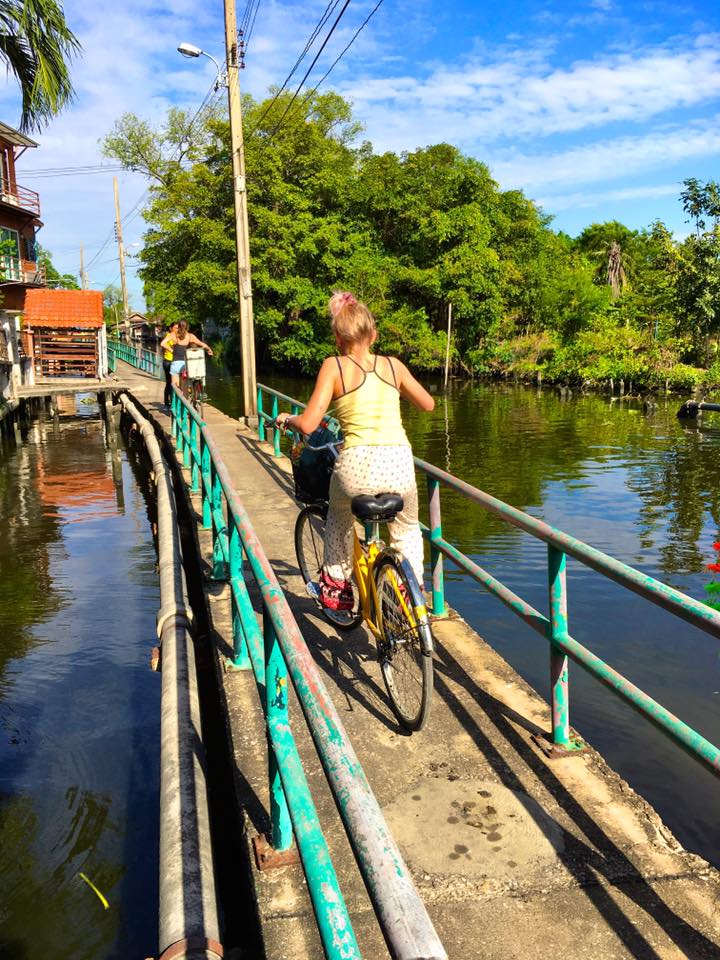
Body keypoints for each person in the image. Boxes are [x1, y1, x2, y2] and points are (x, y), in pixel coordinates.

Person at [276, 291, 434, 610]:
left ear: (337, 337)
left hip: (357, 466)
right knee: (406, 530)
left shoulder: (333, 367)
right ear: (373, 334)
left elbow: (308, 424)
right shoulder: (393, 366)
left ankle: (337, 587)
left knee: (338, 516)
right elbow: (428, 404)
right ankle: (411, 589)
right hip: (399, 464)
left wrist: (287, 418)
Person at [160, 320, 213, 395]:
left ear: (178, 326)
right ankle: (188, 397)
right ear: (187, 327)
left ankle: (175, 405)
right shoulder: (190, 336)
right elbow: (202, 344)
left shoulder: (173, 335)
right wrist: (209, 350)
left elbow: (162, 343)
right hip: (186, 365)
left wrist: (171, 350)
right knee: (185, 386)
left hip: (176, 364)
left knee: (175, 388)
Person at [160, 321, 179, 407]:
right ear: (171, 328)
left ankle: (169, 402)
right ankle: (169, 402)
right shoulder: (169, 336)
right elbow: (163, 344)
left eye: (178, 328)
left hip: (175, 362)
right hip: (168, 362)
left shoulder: (177, 336)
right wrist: (172, 350)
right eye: (175, 328)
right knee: (170, 383)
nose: (177, 329)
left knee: (172, 383)